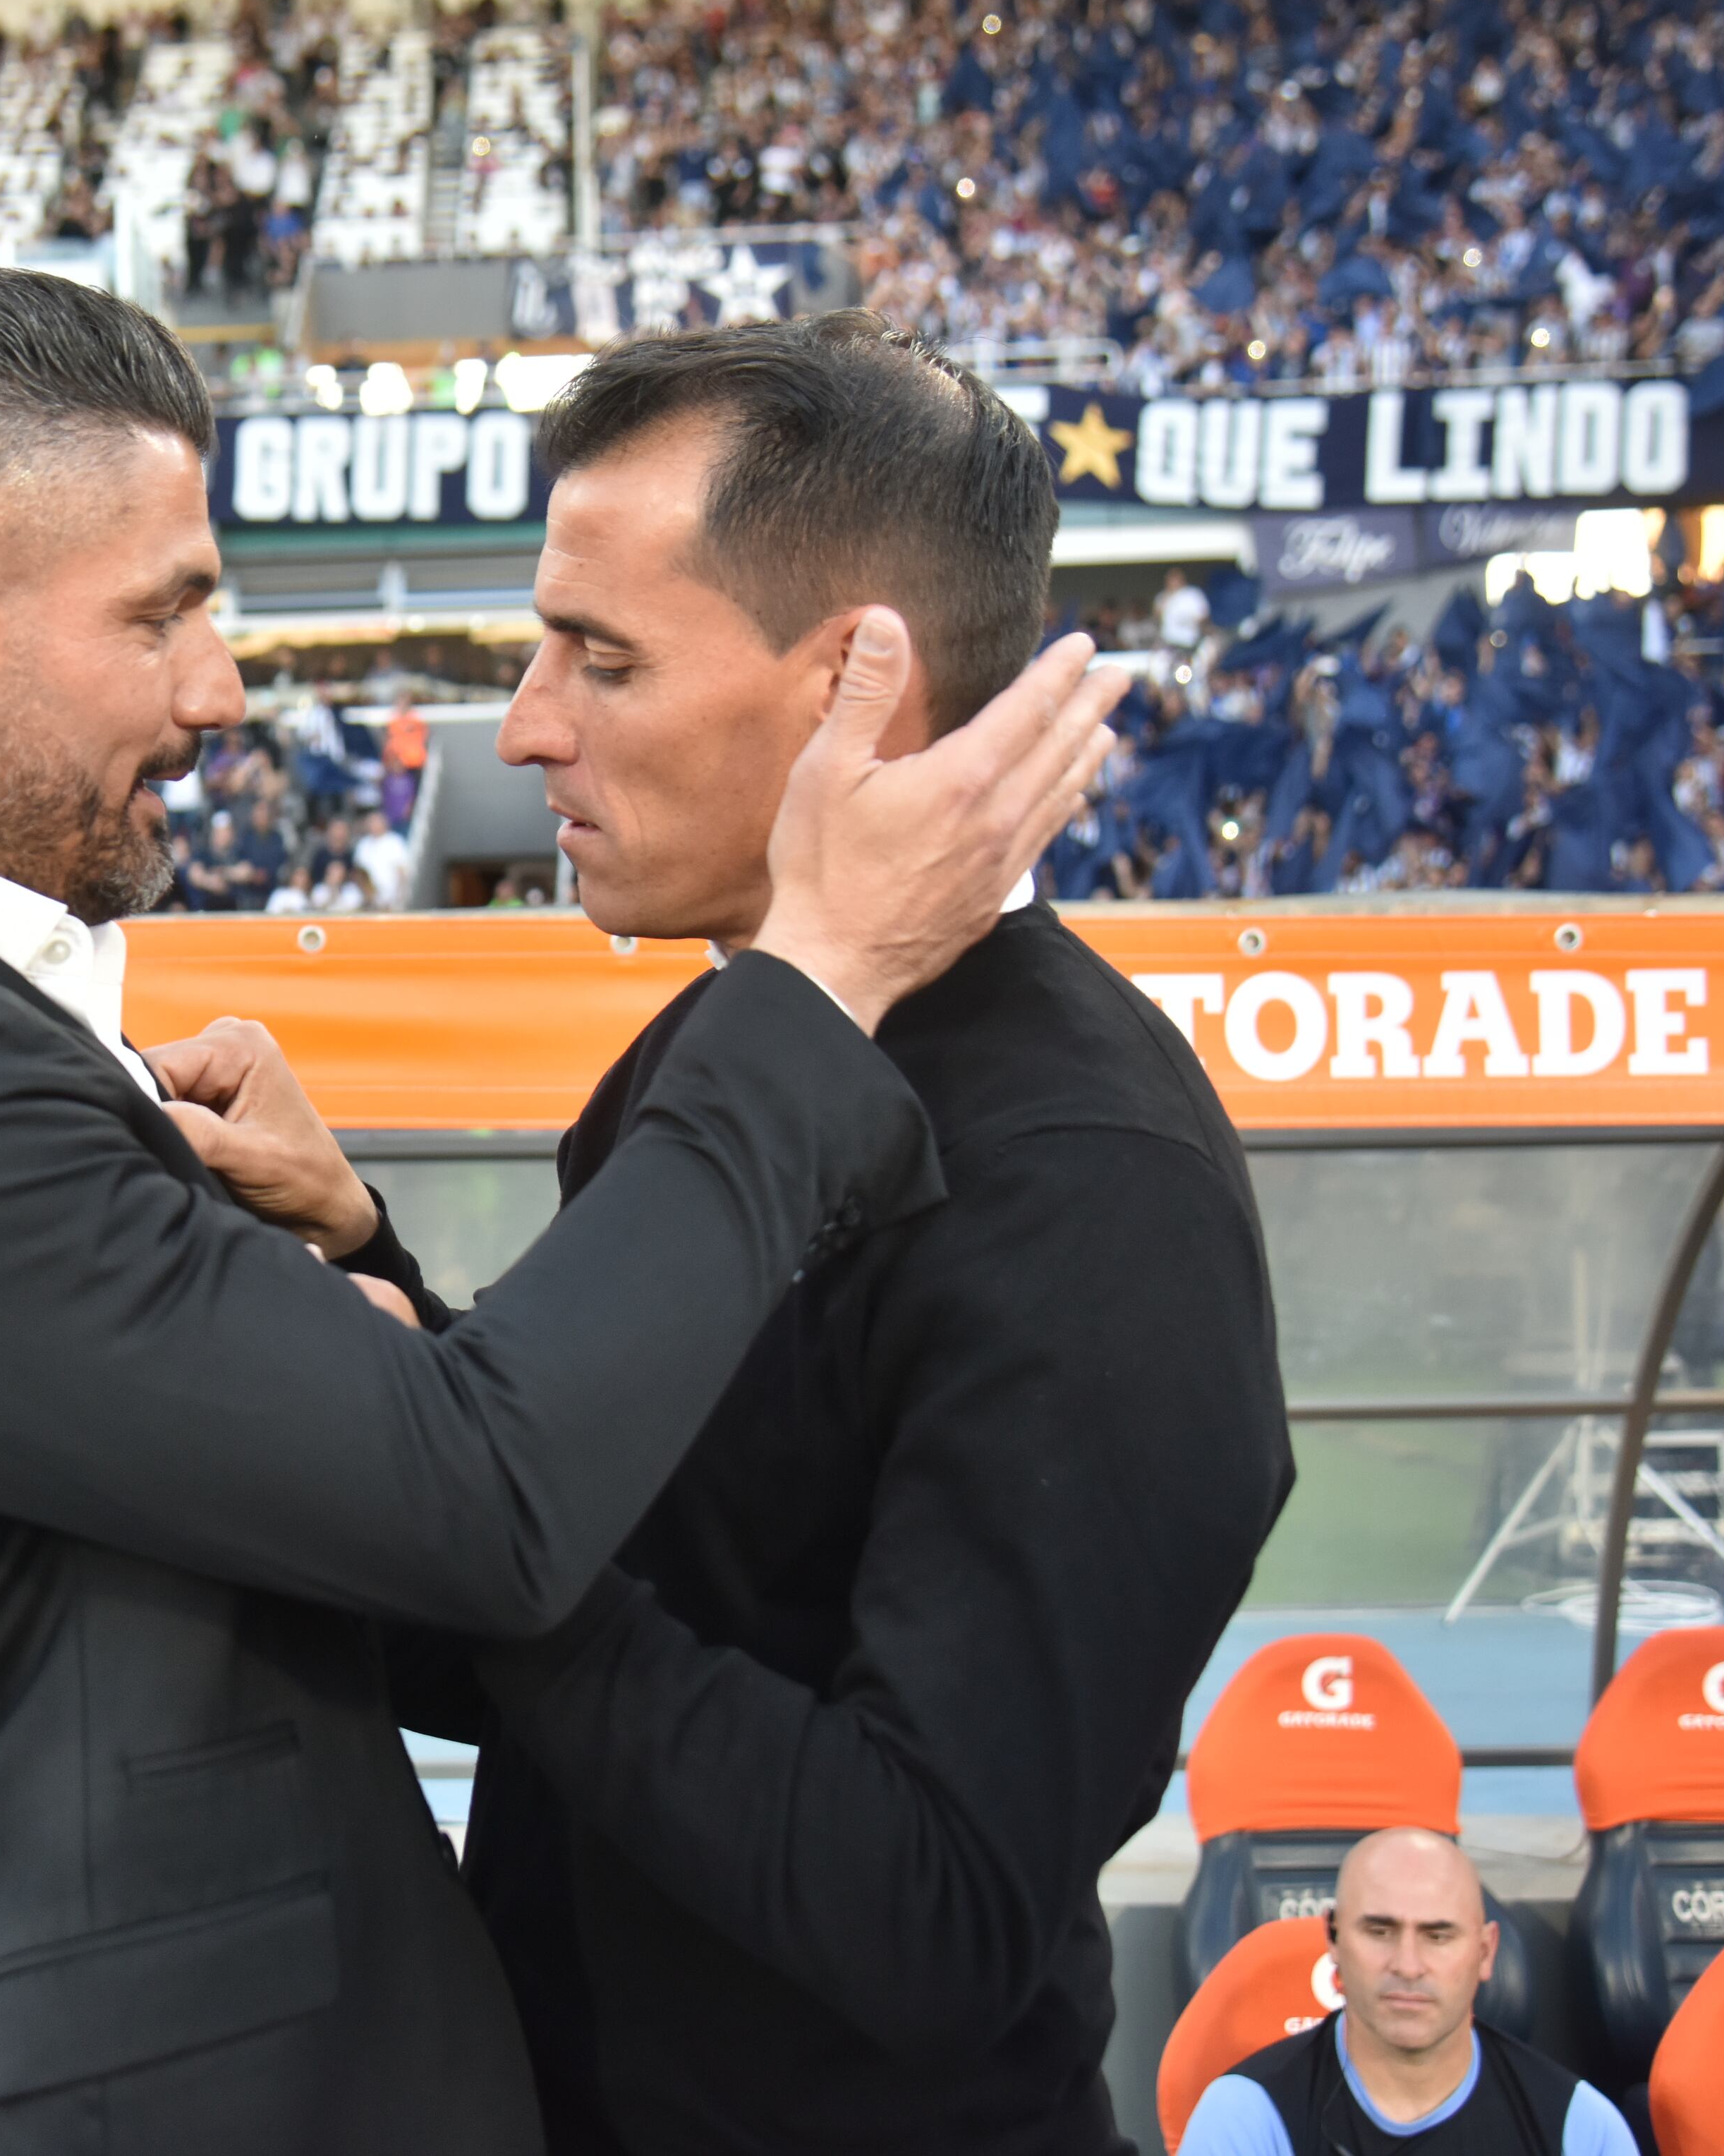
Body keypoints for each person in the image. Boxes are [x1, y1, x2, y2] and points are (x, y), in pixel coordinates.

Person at [0, 256, 1122, 2148]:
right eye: (166, 614)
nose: (221, 692)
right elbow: (481, 1505)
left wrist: (355, 1272)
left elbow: (388, 1503)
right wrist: (816, 984)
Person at [172, 314, 1291, 2155]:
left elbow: (923, 1914)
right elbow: (616, 1591)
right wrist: (366, 1267)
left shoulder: (1093, 1182)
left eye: (598, 657)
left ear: (859, 682)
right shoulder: (706, 1051)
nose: (525, 723)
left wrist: (471, 1511)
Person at [1184, 1829, 1637, 2155]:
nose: (1407, 1965)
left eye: (1438, 1936)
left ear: (1485, 1952)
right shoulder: (1248, 2116)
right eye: (1380, 1931)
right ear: (1334, 1940)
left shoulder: (1578, 2127)